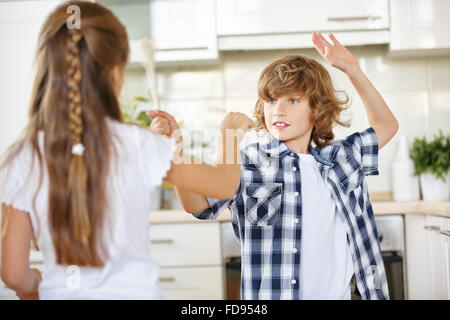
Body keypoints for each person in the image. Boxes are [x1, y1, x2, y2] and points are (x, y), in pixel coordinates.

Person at [0, 1, 253, 300]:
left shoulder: (22, 156)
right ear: (116, 73)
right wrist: (229, 134)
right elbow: (224, 185)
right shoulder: (138, 144)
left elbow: (14, 273)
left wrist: (35, 287)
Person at [165, 32, 399, 300]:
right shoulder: (249, 163)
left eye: (293, 100)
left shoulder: (341, 159)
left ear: (318, 108)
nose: (278, 110)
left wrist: (352, 69)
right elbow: (197, 205)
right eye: (271, 100)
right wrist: (175, 151)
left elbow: (387, 126)